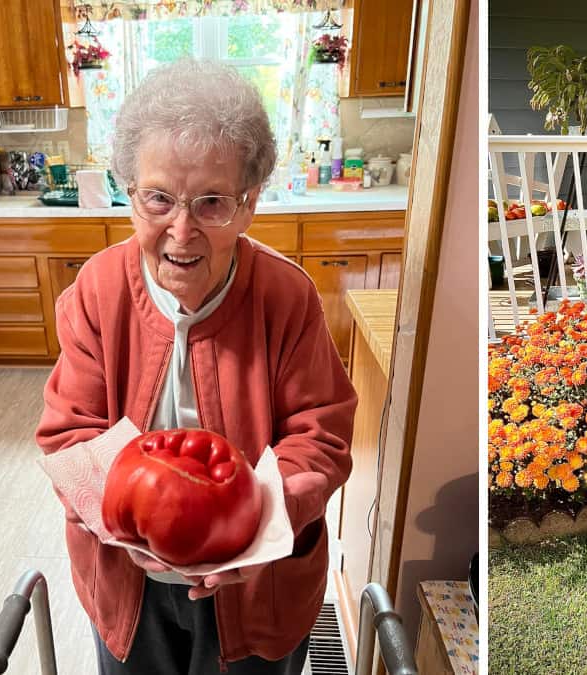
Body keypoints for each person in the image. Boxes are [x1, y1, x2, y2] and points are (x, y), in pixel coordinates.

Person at [35, 58, 357, 673]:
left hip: (257, 583)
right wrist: (127, 525)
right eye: (158, 198)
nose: (181, 231)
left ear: (250, 203)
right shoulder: (96, 291)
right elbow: (68, 433)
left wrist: (260, 526)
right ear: (130, 192)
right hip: (127, 578)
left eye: (212, 203)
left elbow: (320, 436)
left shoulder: (286, 297)